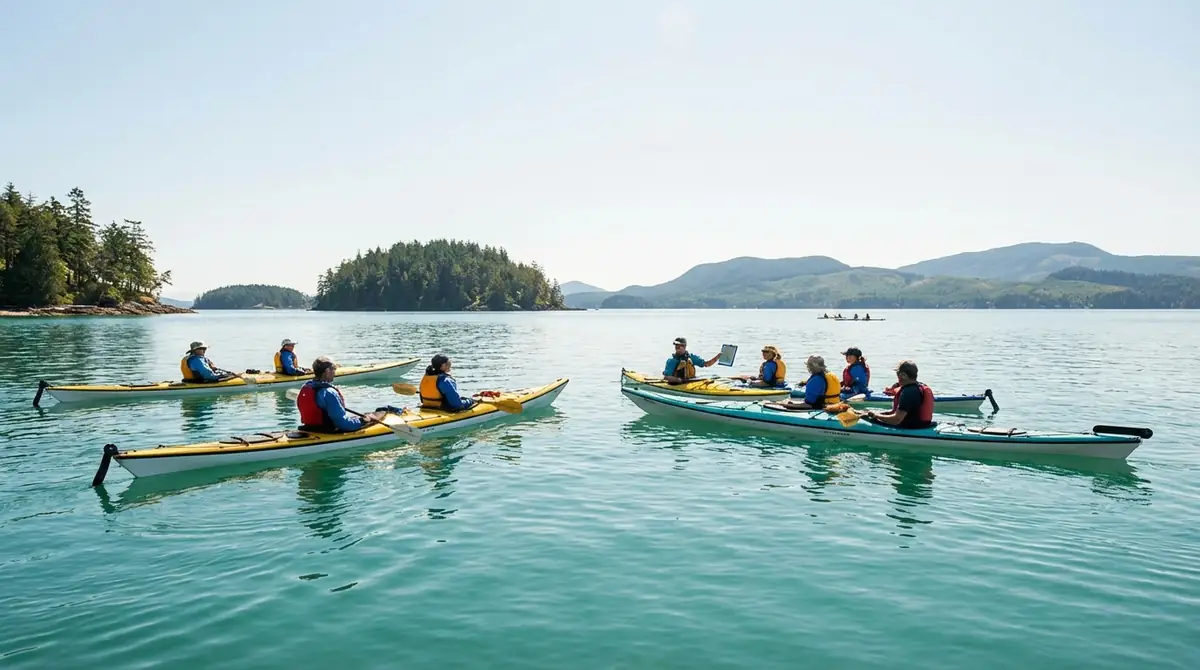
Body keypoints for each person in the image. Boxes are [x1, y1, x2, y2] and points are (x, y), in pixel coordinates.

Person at [296, 357, 382, 432]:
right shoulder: (329, 392)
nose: (334, 372)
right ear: (327, 371)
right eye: (333, 369)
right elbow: (344, 425)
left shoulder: (306, 387)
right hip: (326, 430)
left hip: (310, 428)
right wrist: (363, 421)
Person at [860, 360, 934, 429]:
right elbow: (898, 412)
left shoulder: (908, 393)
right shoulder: (917, 387)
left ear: (903, 375)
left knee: (868, 421)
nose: (897, 376)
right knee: (866, 416)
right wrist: (874, 413)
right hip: (920, 425)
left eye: (897, 373)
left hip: (908, 428)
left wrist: (876, 416)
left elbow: (896, 420)